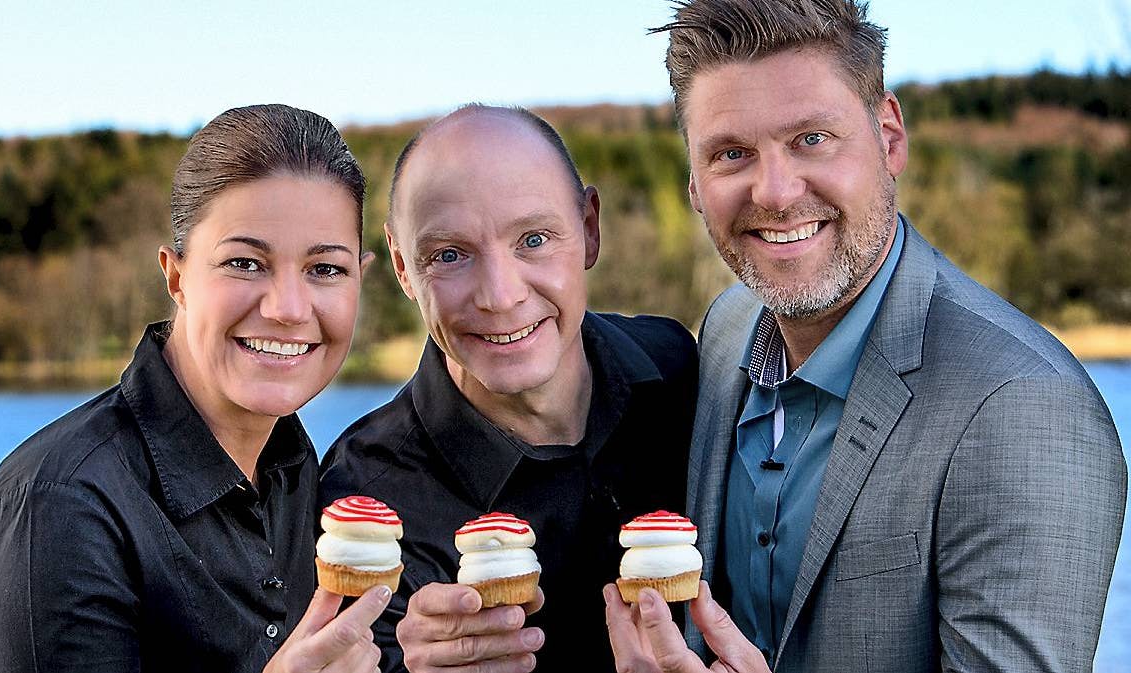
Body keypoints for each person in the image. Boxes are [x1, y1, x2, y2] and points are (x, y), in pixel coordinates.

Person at [603, 1, 1128, 672]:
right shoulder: (727, 328)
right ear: (694, 185)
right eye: (731, 154)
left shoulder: (1022, 404)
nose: (776, 192)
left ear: (889, 137)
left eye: (811, 139)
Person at [0, 104, 391, 673]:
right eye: (245, 263)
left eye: (325, 269)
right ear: (176, 277)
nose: (289, 308)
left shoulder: (292, 467)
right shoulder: (61, 509)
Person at [319, 104, 698, 673]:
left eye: (534, 239)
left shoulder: (678, 369)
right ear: (402, 267)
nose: (499, 296)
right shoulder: (362, 503)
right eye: (449, 255)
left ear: (589, 229)